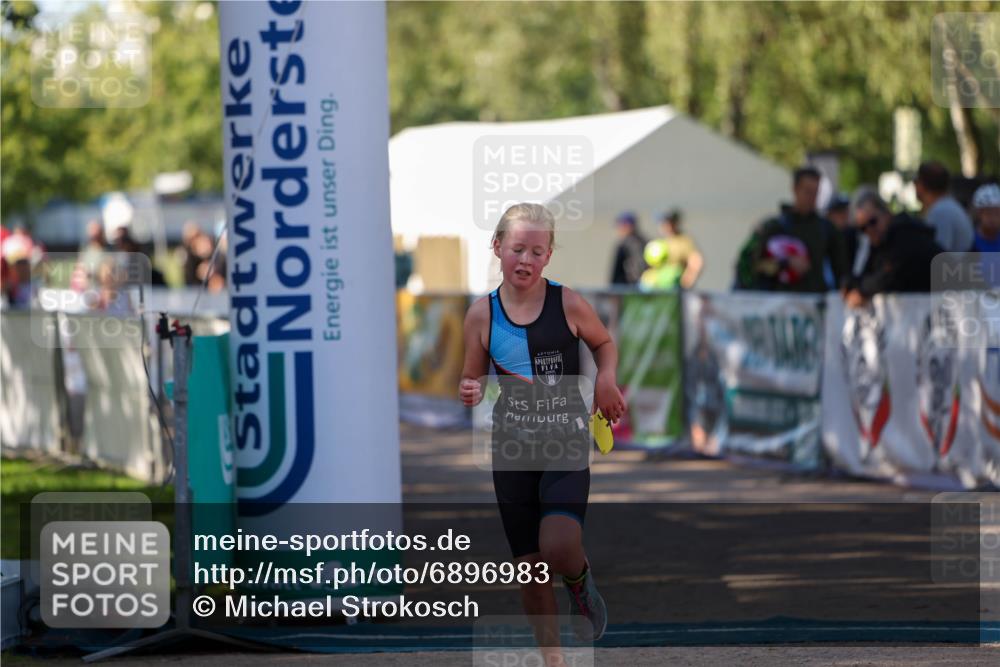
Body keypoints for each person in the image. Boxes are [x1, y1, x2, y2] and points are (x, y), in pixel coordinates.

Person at [460, 203, 626, 665]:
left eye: (537, 250)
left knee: (558, 545)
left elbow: (604, 344)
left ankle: (579, 584)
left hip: (565, 440)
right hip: (511, 450)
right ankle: (553, 659)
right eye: (517, 249)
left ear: (550, 254)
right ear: (497, 247)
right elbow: (471, 378)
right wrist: (470, 389)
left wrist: (606, 380)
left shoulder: (567, 302)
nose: (526, 260)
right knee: (530, 573)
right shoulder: (481, 315)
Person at [752, 166, 848, 293]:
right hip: (779, 303)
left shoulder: (826, 228)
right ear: (795, 189)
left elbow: (841, 269)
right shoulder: (773, 227)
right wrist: (785, 264)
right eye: (807, 191)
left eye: (816, 192)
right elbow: (755, 266)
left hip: (815, 303)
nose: (811, 198)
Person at [843, 192, 943, 307]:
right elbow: (871, 274)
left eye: (872, 222)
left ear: (886, 214)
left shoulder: (905, 235)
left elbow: (888, 278)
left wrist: (860, 289)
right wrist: (851, 284)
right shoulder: (879, 243)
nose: (869, 230)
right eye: (862, 228)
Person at [915, 161, 974, 252]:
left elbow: (937, 256)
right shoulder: (947, 207)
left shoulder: (941, 212)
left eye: (916, 181)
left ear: (922, 185)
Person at [640, 209, 703, 290]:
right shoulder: (662, 241)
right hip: (661, 289)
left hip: (675, 289)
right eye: (663, 222)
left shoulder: (683, 241)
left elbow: (697, 262)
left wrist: (686, 282)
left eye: (669, 222)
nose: (666, 225)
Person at [609, 212, 647, 286]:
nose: (619, 229)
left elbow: (617, 271)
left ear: (628, 226)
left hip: (630, 288)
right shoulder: (645, 241)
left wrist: (613, 289)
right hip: (641, 287)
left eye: (621, 225)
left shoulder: (626, 244)